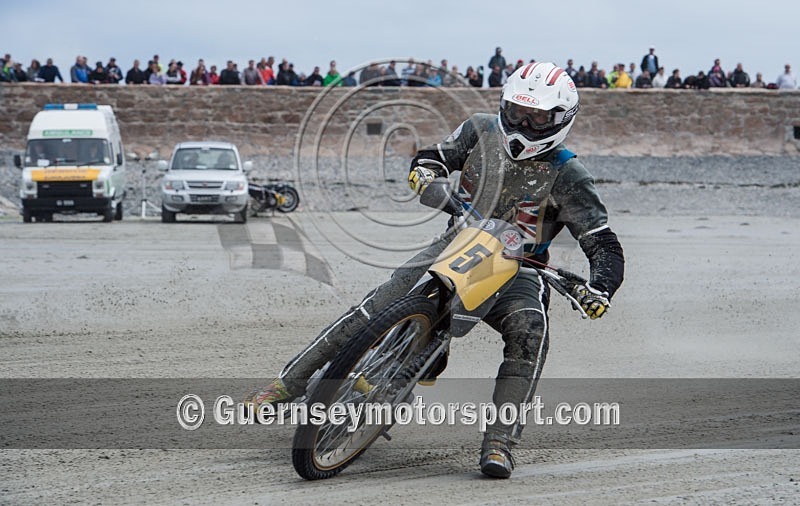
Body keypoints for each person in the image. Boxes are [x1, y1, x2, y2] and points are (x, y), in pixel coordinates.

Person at [244, 61, 624, 479]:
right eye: (517, 111)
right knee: (374, 306)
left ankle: (500, 443)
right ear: (504, 105)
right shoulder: (480, 129)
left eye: (536, 117)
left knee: (530, 334)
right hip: (455, 242)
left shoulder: (570, 174)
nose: (524, 122)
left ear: (560, 121)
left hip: (521, 270)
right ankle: (284, 386)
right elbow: (434, 157)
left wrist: (600, 288)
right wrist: (425, 174)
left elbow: (603, 243)